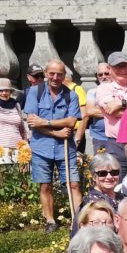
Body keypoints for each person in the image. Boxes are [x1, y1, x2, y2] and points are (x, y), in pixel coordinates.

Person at [24, 59, 81, 232]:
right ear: (46, 74)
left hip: (65, 148)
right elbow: (33, 123)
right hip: (41, 147)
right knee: (45, 185)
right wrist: (56, 131)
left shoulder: (71, 95)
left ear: (64, 76)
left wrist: (45, 121)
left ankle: (79, 220)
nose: (55, 77)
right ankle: (50, 221)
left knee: (74, 184)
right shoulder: (35, 92)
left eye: (59, 74)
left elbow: (71, 121)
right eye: (52, 74)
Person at [95, 52, 127, 176]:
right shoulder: (104, 89)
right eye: (117, 67)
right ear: (109, 69)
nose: (122, 70)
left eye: (124, 66)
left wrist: (121, 103)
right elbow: (113, 111)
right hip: (117, 145)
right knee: (116, 184)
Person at [85, 62, 113, 154]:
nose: (103, 77)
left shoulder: (117, 90)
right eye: (100, 75)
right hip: (99, 137)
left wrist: (98, 108)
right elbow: (90, 111)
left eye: (106, 73)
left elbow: (125, 112)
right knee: (100, 165)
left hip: (116, 137)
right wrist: (114, 111)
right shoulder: (92, 92)